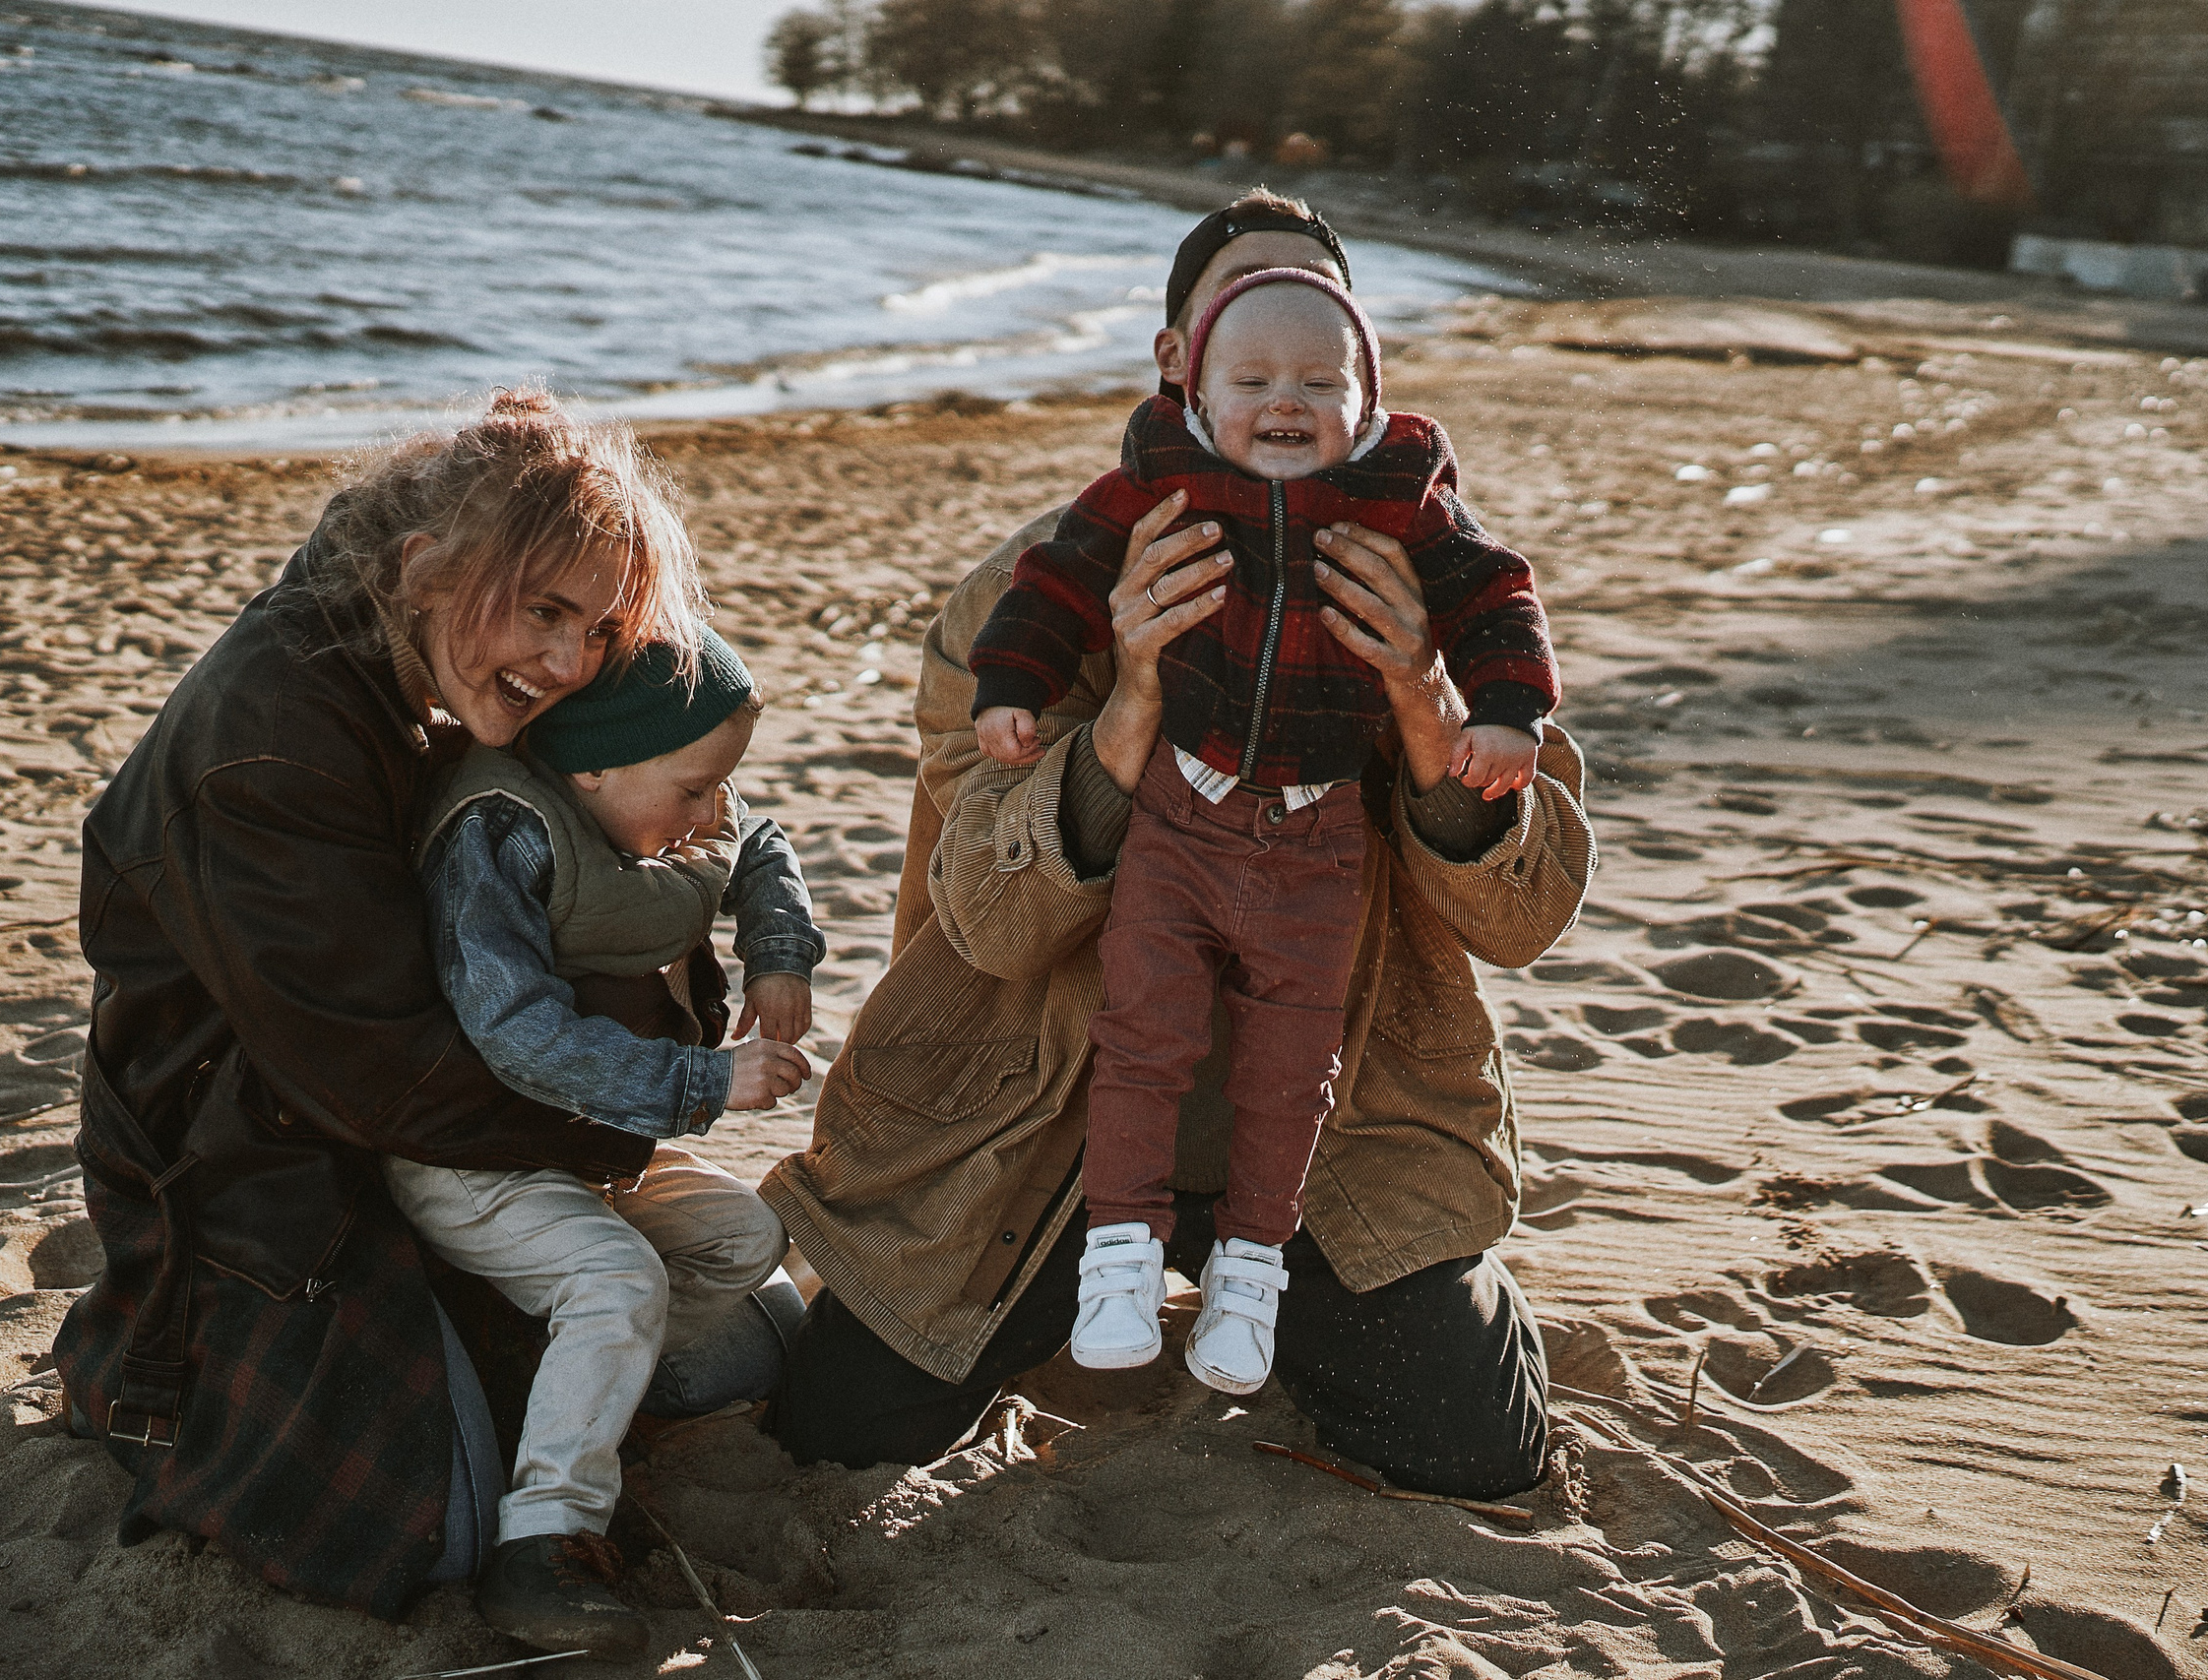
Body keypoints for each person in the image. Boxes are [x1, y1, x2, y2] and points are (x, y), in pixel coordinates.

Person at [761, 193, 1595, 1498]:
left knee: (1475, 1452)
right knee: (836, 1427)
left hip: (1344, 1122)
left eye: (1318, 324)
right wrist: (1132, 704)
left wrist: (1432, 712)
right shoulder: (1028, 590)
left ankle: (1299, 1306)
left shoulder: (1435, 569)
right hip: (1047, 1126)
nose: (1284, 358)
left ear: (1360, 369)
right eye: (1247, 318)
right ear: (1181, 362)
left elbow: (1525, 917)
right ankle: (1091, 1296)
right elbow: (991, 920)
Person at [52, 393, 787, 1622]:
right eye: (542, 612)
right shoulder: (272, 742)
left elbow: (687, 831)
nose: (567, 665)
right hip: (256, 1166)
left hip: (423, 1131)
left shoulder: (412, 666)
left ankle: (512, 1347)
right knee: (420, 1532)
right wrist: (620, 1111)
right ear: (423, 569)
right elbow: (376, 1076)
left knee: (745, 1348)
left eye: (598, 626)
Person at [965, 265, 1557, 1395]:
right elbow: (1051, 585)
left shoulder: (1407, 504)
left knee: (1297, 1069)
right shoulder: (1145, 488)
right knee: (1138, 1034)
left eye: (1317, 379)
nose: (1284, 398)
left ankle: (1251, 1270)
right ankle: (1120, 1254)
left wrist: (1481, 707)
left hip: (1316, 834)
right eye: (1250, 372)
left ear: (1368, 401)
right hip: (1179, 819)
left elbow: (1495, 595)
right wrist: (1025, 684)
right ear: (1180, 368)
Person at [388, 626, 817, 1657]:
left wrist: (778, 952)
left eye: (720, 783)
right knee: (618, 1281)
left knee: (742, 1239)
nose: (710, 809)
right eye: (693, 788)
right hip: (473, 1152)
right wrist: (703, 1080)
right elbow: (516, 1035)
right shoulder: (500, 837)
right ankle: (544, 1542)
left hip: (594, 1148)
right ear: (592, 768)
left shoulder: (656, 800)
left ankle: (583, 1400)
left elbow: (754, 841)